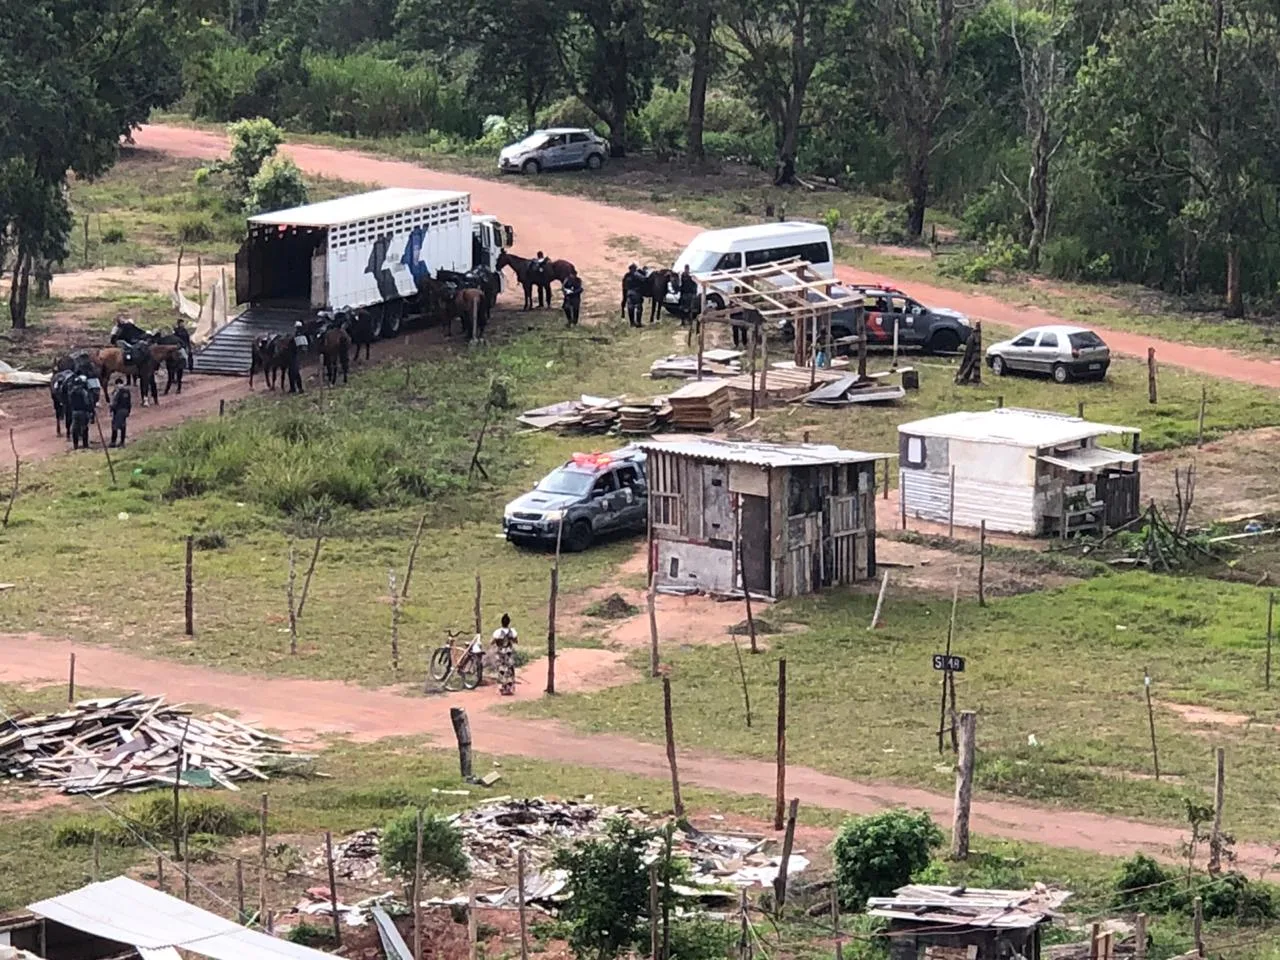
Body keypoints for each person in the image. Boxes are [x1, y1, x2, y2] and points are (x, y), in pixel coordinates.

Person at [492, 613, 519, 695]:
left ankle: (502, 687)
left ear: (501, 622)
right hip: (509, 654)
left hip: (500, 654)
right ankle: (509, 688)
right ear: (509, 622)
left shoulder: (497, 632)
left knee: (501, 670)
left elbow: (492, 642)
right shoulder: (513, 632)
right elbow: (516, 641)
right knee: (510, 670)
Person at [68, 376, 92, 450]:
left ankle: (75, 445)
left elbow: (70, 402)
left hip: (75, 412)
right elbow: (87, 402)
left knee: (75, 428)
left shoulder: (71, 392)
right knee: (84, 428)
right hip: (83, 412)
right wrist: (90, 410)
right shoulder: (84, 392)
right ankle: (85, 444)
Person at [108, 377, 132, 448]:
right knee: (123, 426)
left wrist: (111, 409)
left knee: (115, 426)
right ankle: (122, 441)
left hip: (118, 411)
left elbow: (114, 402)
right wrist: (128, 411)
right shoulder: (127, 391)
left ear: (116, 384)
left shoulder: (117, 392)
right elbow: (129, 402)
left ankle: (113, 442)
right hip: (125, 410)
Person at [621, 263, 646, 328]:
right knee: (638, 307)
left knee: (630, 308)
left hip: (629, 293)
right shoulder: (637, 274)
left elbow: (624, 285)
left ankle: (632, 323)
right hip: (636, 292)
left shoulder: (626, 275)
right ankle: (638, 323)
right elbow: (644, 279)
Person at [288, 321, 306, 394]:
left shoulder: (296, 336)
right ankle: (299, 388)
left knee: (292, 373)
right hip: (297, 356)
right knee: (296, 373)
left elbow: (293, 346)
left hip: (294, 356)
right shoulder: (303, 336)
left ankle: (294, 388)